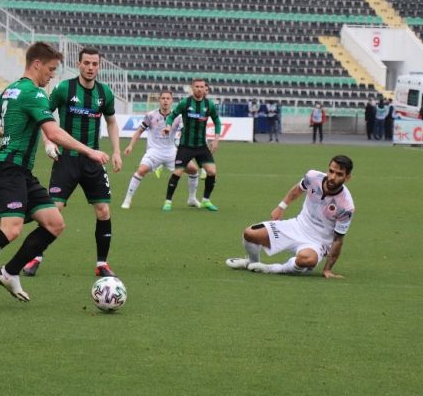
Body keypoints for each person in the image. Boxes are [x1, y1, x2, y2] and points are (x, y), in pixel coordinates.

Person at [0, 42, 109, 311]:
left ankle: (10, 272)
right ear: (36, 65)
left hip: (21, 171)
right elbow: (54, 133)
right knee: (11, 230)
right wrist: (89, 151)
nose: (52, 75)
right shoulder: (34, 94)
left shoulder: (11, 89)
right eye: (50, 69)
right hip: (7, 169)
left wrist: (3, 133)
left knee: (54, 223)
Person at [21, 46, 122, 278]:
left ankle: (102, 264)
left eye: (95, 64)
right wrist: (49, 142)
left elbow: (112, 122)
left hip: (92, 160)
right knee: (54, 209)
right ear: (79, 64)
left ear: (99, 66)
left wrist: (116, 151)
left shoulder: (104, 93)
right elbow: (43, 115)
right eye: (86, 63)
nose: (90, 68)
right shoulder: (64, 88)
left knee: (103, 210)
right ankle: (35, 257)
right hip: (66, 160)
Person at [225, 155, 355, 277]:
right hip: (296, 226)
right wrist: (281, 207)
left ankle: (273, 268)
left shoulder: (346, 206)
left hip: (317, 242)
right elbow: (297, 189)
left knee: (307, 259)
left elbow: (338, 240)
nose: (333, 177)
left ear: (347, 178)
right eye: (331, 171)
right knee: (250, 233)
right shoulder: (313, 177)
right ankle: (252, 263)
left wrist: (327, 269)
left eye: (339, 174)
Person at [120, 89, 200, 209]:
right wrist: (130, 145)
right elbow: (139, 131)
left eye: (168, 98)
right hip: (154, 151)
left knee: (193, 169)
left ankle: (192, 199)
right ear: (159, 100)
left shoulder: (178, 117)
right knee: (141, 171)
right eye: (163, 98)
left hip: (171, 152)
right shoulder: (151, 115)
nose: (165, 101)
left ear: (172, 101)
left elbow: (185, 132)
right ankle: (127, 199)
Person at [162, 78, 221, 212]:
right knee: (177, 172)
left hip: (201, 146)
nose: (199, 89)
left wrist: (216, 139)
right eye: (197, 86)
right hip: (185, 146)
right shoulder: (185, 103)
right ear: (192, 88)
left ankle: (206, 200)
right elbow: (172, 115)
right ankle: (168, 201)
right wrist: (168, 126)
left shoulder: (209, 104)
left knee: (212, 171)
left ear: (204, 88)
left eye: (202, 86)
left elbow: (217, 121)